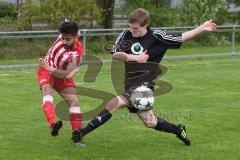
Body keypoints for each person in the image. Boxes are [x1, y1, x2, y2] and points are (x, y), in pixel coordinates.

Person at [72, 8, 217, 146]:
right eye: (131, 27)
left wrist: (202, 28)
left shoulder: (157, 36)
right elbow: (115, 54)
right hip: (129, 83)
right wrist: (134, 57)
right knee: (150, 122)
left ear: (145, 25)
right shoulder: (126, 34)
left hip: (145, 85)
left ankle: (82, 132)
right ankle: (178, 130)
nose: (132, 30)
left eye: (135, 28)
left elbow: (181, 38)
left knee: (115, 103)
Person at [37, 21, 85, 146]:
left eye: (68, 39)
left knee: (73, 101)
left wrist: (48, 67)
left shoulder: (78, 55)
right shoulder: (66, 35)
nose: (64, 42)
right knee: (47, 91)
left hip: (57, 73)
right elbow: (67, 23)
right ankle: (53, 124)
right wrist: (47, 69)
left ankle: (77, 134)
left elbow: (67, 75)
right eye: (62, 38)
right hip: (47, 72)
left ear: (75, 37)